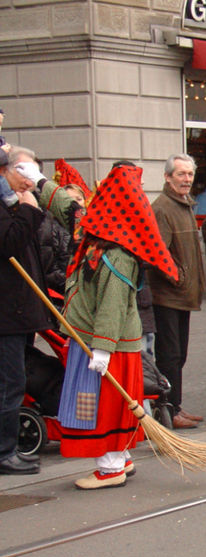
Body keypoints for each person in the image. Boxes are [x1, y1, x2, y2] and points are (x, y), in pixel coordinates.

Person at [57, 165, 180, 488]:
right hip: (104, 343)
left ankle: (110, 465)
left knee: (100, 406)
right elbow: (67, 211)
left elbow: (111, 305)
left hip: (105, 345)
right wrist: (40, 184)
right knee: (104, 404)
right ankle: (121, 458)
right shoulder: (101, 242)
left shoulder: (117, 252)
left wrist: (102, 347)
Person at [0, 148, 50, 475]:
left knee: (13, 381)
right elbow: (9, 244)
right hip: (6, 314)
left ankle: (8, 448)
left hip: (16, 311)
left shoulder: (11, 203)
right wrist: (28, 210)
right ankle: (4, 451)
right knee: (9, 384)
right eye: (22, 170)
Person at [149, 154, 206, 429]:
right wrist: (180, 278)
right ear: (168, 177)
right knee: (170, 355)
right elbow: (158, 254)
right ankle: (168, 410)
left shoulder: (183, 205)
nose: (186, 179)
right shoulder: (162, 208)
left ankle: (176, 406)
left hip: (181, 294)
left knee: (178, 354)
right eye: (181, 174)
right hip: (168, 295)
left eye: (190, 174)